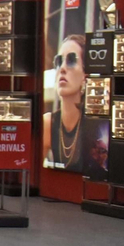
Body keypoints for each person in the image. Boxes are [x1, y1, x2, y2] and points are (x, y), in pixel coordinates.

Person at [44, 33, 87, 171]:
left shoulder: (96, 126)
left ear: (85, 76)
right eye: (58, 61)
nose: (62, 68)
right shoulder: (47, 123)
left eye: (71, 60)